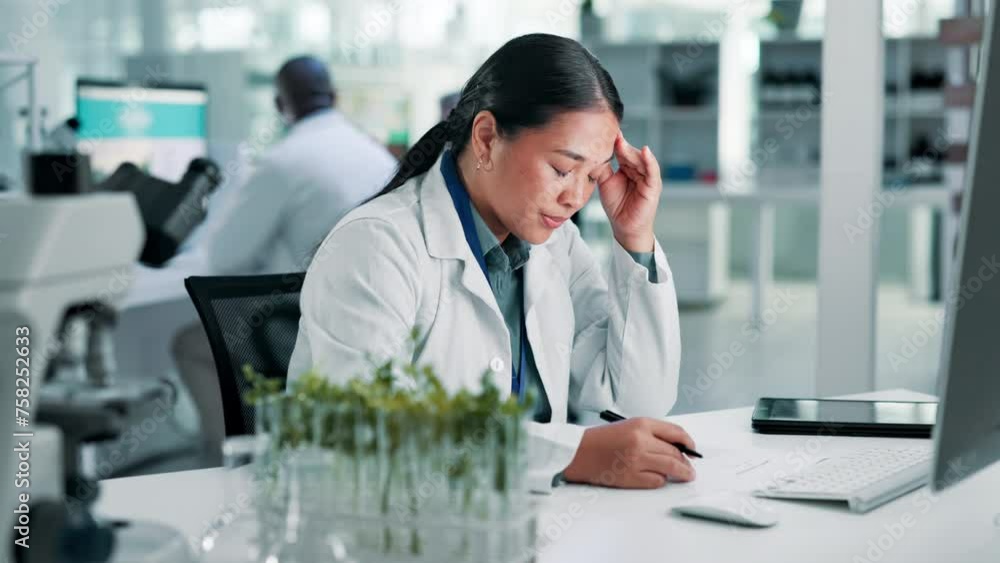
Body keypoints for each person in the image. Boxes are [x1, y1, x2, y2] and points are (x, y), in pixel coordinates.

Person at [289, 34, 696, 489]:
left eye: (595, 175)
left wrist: (634, 237)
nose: (576, 198)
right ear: (485, 138)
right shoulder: (376, 245)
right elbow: (362, 433)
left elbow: (636, 403)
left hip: (525, 522)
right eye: (563, 169)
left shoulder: (553, 244)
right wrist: (569, 456)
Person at [171, 56, 397, 464]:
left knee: (189, 343)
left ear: (280, 105)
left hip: (305, 330)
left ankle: (226, 464)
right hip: (377, 326)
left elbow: (224, 257)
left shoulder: (284, 160)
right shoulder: (378, 156)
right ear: (335, 97)